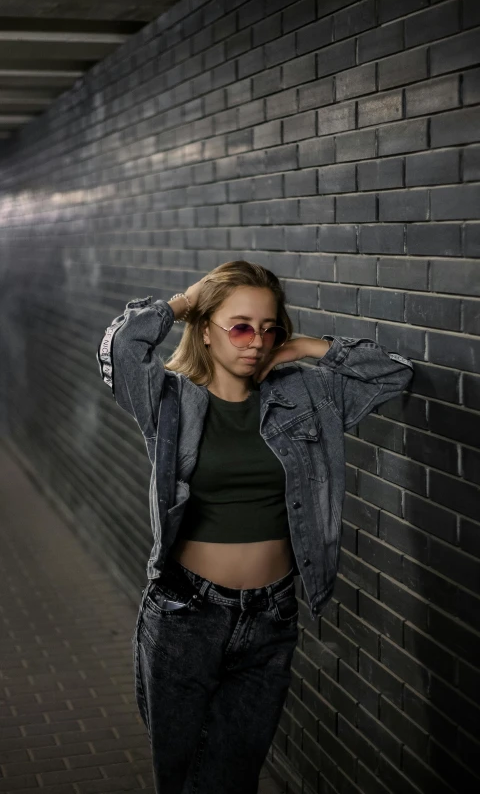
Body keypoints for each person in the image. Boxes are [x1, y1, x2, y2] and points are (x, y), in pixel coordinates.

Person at [96, 261, 414, 793]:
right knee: (183, 777)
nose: (256, 342)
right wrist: (184, 300)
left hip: (272, 614)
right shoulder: (170, 400)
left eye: (270, 329)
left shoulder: (307, 397)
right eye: (240, 327)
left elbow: (395, 372)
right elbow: (122, 347)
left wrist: (303, 348)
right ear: (205, 331)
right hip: (186, 614)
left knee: (234, 777)